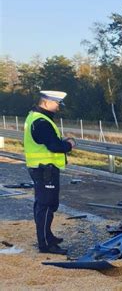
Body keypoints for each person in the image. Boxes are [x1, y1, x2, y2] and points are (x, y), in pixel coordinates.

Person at [23, 90, 76, 255]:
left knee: (43, 204)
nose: (58, 107)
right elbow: (54, 146)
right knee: (46, 205)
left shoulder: (35, 117)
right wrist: (70, 144)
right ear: (46, 102)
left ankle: (47, 236)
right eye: (56, 103)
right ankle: (46, 245)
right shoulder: (41, 122)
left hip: (41, 168)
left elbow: (47, 141)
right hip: (45, 169)